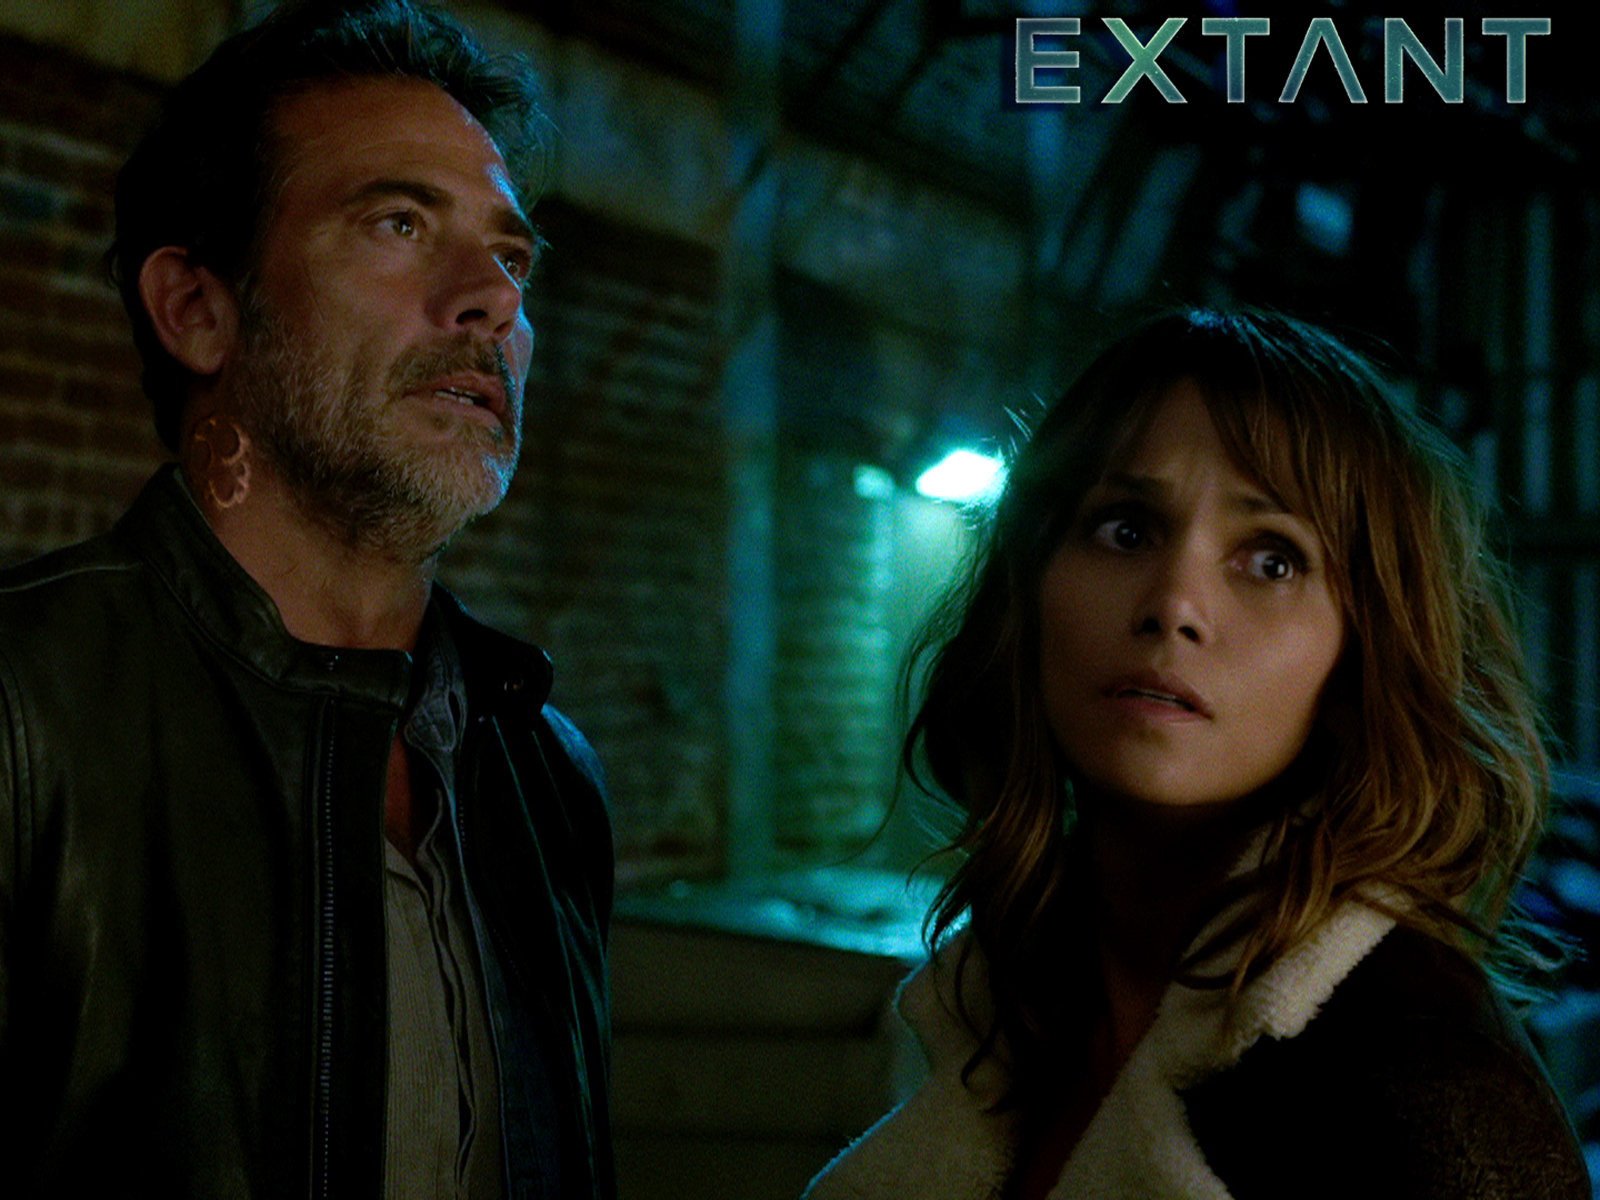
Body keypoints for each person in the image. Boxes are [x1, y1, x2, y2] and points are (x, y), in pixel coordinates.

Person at [0, 2, 614, 1196]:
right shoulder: (25, 715)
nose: (489, 300)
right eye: (398, 223)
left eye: (511, 258)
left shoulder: (540, 766)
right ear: (197, 310)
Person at [804, 309, 1590, 1199]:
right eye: (1126, 531)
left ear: (1361, 653)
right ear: (1031, 586)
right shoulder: (1000, 1003)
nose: (1173, 604)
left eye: (1272, 560)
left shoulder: (1430, 1077)